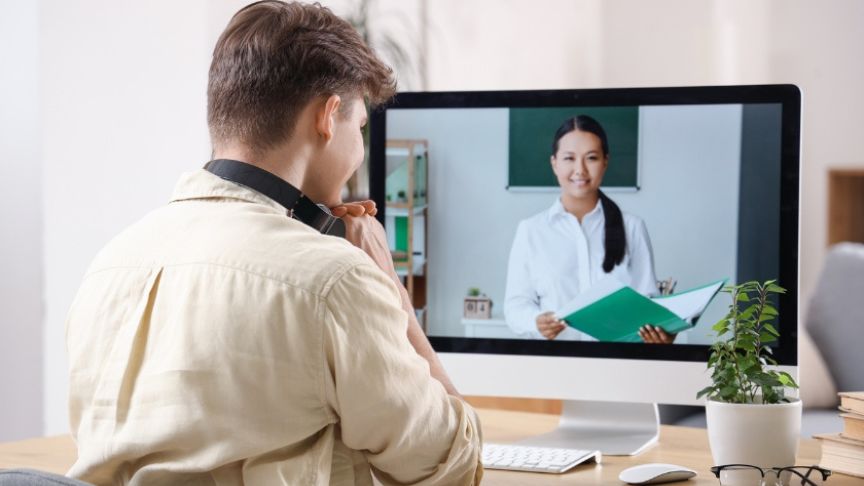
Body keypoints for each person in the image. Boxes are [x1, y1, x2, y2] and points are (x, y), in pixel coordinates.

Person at [63, 2, 482, 485]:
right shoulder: (334, 280)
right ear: (328, 116)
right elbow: (451, 465)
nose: (360, 147)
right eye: (360, 126)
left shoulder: (110, 265)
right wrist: (391, 288)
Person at [504, 115, 674, 344]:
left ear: (605, 161)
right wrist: (536, 322)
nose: (580, 170)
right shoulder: (531, 231)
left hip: (619, 364)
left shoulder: (632, 228)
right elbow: (515, 307)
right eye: (569, 158)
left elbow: (647, 301)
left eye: (591, 158)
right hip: (554, 364)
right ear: (554, 163)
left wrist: (658, 331)